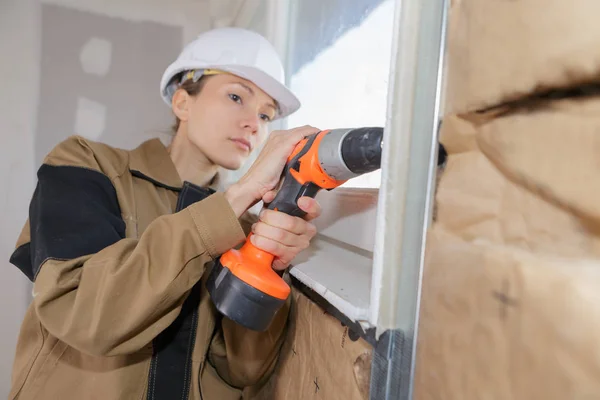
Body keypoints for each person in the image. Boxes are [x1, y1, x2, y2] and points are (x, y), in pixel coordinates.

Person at [8, 27, 322, 400]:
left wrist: (267, 263)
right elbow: (86, 316)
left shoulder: (244, 228)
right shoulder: (87, 166)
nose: (254, 124)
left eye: (267, 116)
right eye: (236, 96)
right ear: (182, 102)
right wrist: (236, 198)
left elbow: (242, 369)